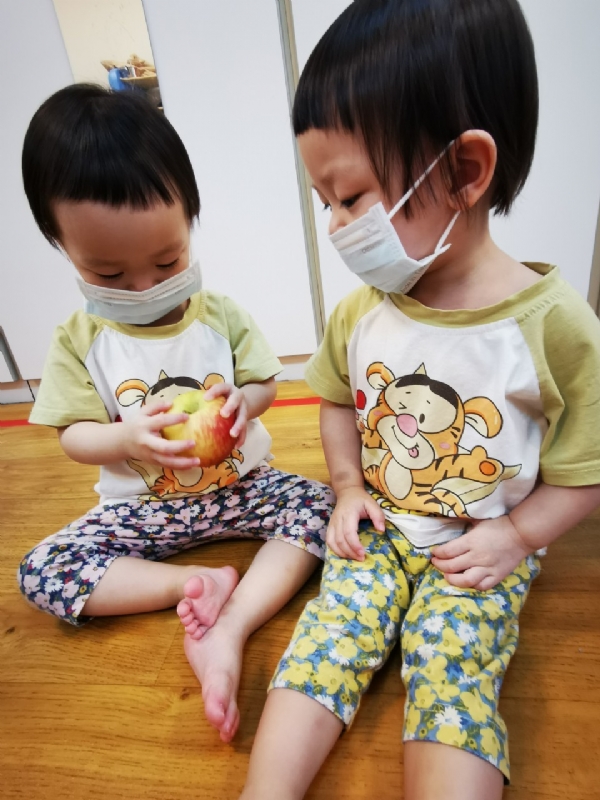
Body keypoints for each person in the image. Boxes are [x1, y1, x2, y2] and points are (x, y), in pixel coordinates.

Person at [238, 1, 600, 798]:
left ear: (465, 171)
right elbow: (338, 399)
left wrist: (517, 536)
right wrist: (347, 486)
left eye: (351, 197)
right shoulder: (362, 311)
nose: (336, 226)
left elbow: (588, 467)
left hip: (479, 545)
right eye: (324, 202)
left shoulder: (553, 326)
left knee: (452, 668)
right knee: (327, 637)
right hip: (379, 527)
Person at [16, 84, 334, 744]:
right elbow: (72, 436)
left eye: (167, 262)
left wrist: (245, 402)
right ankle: (192, 583)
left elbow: (264, 382)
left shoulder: (220, 315)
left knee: (324, 506)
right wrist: (125, 437)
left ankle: (232, 623)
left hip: (241, 487)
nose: (145, 288)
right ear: (61, 245)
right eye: (108, 275)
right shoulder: (80, 340)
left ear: (191, 219)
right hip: (142, 509)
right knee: (41, 570)